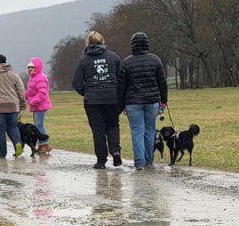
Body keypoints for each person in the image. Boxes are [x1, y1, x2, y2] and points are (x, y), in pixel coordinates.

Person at [72, 32, 123, 169]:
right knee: (113, 126)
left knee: (98, 130)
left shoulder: (83, 61)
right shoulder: (113, 57)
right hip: (111, 98)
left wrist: (86, 92)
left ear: (88, 43)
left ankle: (101, 160)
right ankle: (115, 151)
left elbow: (76, 82)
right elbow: (122, 78)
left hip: (92, 101)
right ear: (102, 42)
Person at [120, 32, 168, 169]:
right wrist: (164, 101)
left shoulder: (126, 62)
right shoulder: (155, 60)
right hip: (152, 100)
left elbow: (122, 86)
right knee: (150, 130)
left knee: (137, 131)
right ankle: (149, 159)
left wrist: (121, 104)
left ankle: (139, 162)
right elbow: (162, 83)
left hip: (132, 102)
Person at [0, 55, 27, 160]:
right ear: (6, 63)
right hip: (13, 106)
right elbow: (21, 90)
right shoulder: (14, 75)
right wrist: (22, 103)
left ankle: (2, 153)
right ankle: (17, 144)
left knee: (0, 130)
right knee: (13, 127)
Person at [25, 57, 52, 154]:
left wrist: (32, 101)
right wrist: (24, 96)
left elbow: (42, 93)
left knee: (39, 125)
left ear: (37, 67)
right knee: (37, 125)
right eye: (28, 67)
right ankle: (43, 144)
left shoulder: (40, 78)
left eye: (32, 67)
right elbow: (29, 92)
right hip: (35, 106)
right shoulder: (32, 78)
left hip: (40, 106)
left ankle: (44, 144)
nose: (30, 69)